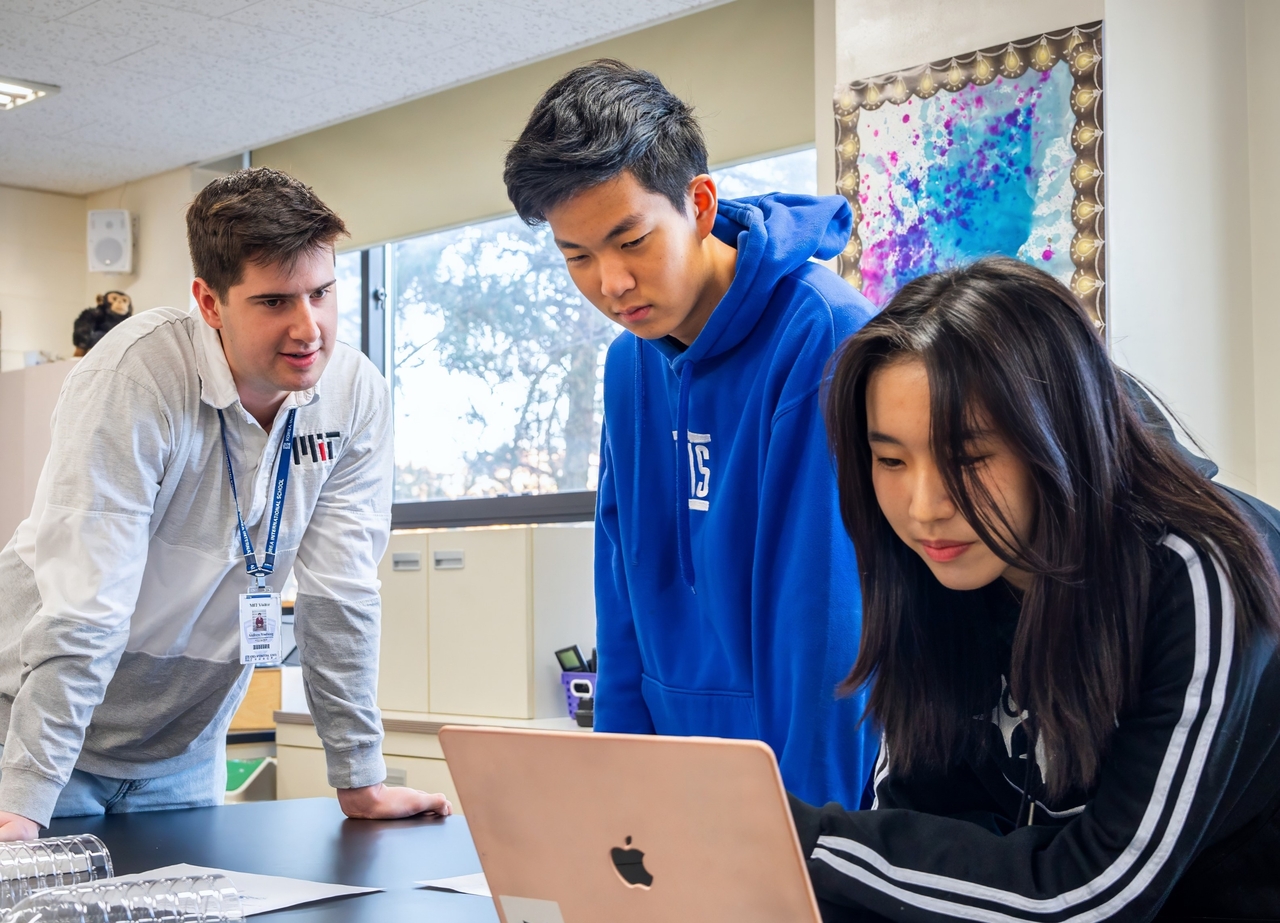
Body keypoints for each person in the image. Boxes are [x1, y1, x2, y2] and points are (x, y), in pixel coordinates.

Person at [795, 257, 1280, 921]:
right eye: (891, 459)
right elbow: (916, 835)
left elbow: (1096, 895)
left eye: (968, 458)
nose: (925, 507)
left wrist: (799, 842)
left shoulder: (1196, 575)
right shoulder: (943, 567)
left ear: (1056, 437)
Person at [0, 168, 450, 841]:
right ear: (209, 302)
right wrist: (25, 797)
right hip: (27, 733)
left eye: (322, 293)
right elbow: (86, 607)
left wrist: (360, 776)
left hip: (180, 750)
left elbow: (342, 594)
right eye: (274, 301)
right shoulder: (139, 377)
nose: (309, 328)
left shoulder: (354, 394)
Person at [503, 60, 880, 807]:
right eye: (577, 257)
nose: (610, 283)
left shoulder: (823, 332)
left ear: (700, 204)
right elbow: (622, 585)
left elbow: (824, 617)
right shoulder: (628, 365)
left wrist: (814, 830)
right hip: (670, 778)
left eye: (631, 241)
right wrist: (619, 789)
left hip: (796, 783)